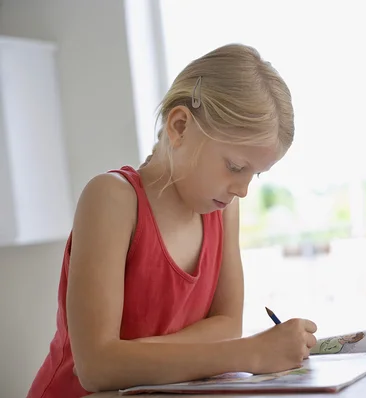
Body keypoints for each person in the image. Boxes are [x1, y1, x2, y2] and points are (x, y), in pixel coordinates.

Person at [27, 43, 318, 398]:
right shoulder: (112, 199)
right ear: (180, 126)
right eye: (235, 166)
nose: (242, 190)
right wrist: (251, 352)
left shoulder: (223, 210)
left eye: (254, 175)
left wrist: (133, 355)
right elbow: (97, 368)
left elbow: (228, 327)